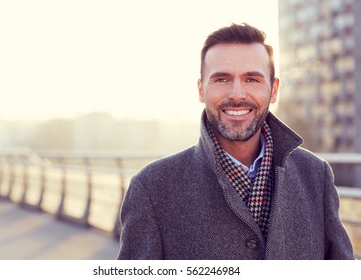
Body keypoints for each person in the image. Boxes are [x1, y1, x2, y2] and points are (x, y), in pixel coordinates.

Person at [117, 23, 354, 260]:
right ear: (201, 90)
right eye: (221, 79)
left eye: (252, 79)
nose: (237, 94)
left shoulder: (315, 175)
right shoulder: (151, 188)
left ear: (274, 90)